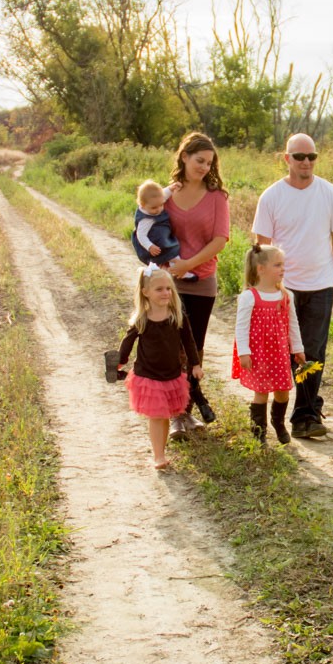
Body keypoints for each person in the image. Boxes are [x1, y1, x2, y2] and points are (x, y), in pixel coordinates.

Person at [251, 133, 333, 439]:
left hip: (320, 286)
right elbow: (261, 247)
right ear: (286, 159)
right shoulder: (271, 196)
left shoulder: (330, 194)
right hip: (282, 290)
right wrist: (260, 289)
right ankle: (269, 416)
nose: (306, 162)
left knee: (312, 352)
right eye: (299, 157)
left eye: (312, 156)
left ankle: (305, 415)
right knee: (279, 352)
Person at [163, 132, 230, 433]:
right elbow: (148, 229)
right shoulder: (166, 195)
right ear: (184, 157)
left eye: (209, 163)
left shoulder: (217, 197)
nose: (204, 167)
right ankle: (171, 411)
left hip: (202, 283)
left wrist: (189, 264)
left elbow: (220, 240)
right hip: (168, 284)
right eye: (199, 160)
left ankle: (185, 411)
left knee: (193, 348)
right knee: (170, 345)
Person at [116, 265, 202, 469]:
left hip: (172, 374)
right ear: (145, 292)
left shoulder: (176, 316)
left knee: (164, 416)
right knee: (157, 416)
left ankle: (161, 450)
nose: (165, 293)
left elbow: (189, 341)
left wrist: (195, 364)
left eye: (168, 288)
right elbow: (127, 342)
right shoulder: (142, 319)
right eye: (159, 289)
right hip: (149, 375)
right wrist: (120, 361)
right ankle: (158, 455)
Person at [232, 243, 305, 446]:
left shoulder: (286, 296)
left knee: (283, 390)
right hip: (259, 353)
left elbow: (293, 325)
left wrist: (297, 349)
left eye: (283, 265)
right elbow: (241, 327)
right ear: (261, 269)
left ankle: (278, 422)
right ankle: (259, 432)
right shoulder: (249, 296)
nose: (282, 269)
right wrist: (244, 352)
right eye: (277, 265)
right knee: (261, 392)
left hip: (280, 352)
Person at [130, 180, 192, 277]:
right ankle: (174, 270)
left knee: (171, 248)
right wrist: (149, 246)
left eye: (161, 205)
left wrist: (171, 188)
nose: (159, 209)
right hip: (154, 240)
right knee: (168, 249)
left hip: (161, 230)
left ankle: (171, 268)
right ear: (142, 205)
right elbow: (140, 235)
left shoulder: (155, 201)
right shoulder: (145, 219)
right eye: (154, 208)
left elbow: (164, 194)